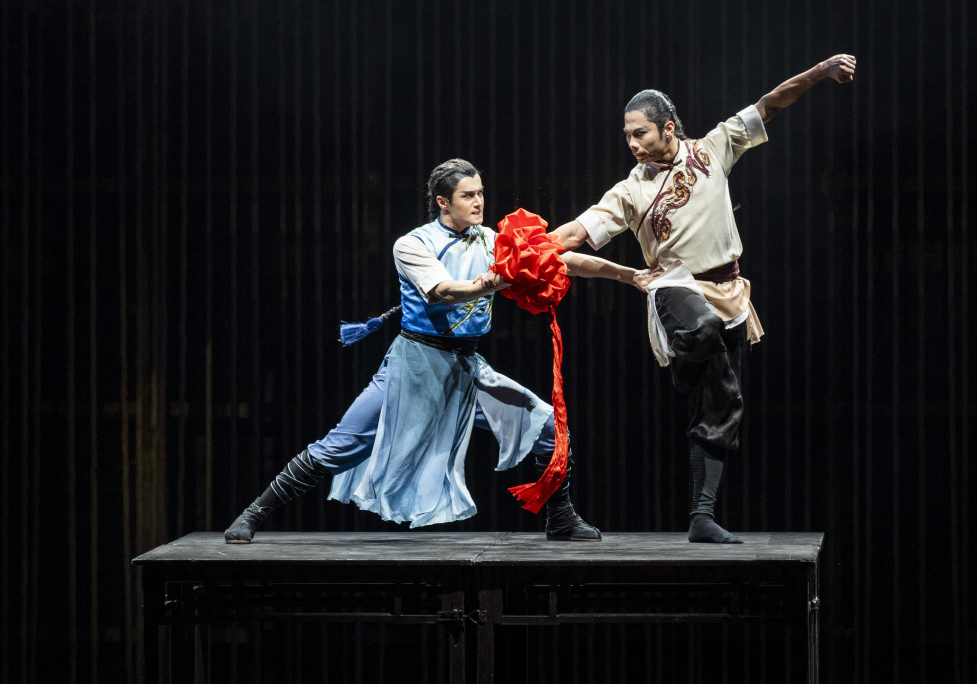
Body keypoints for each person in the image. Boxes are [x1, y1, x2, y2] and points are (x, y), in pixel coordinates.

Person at [225, 158, 633, 544]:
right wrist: (496, 280)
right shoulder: (413, 244)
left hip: (466, 367)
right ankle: (254, 513)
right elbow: (442, 292)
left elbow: (559, 259)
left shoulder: (490, 240)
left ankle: (560, 518)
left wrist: (629, 276)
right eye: (467, 195)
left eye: (480, 193)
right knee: (340, 446)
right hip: (415, 365)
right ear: (443, 201)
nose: (478, 202)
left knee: (548, 430)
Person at [550, 54, 857, 543]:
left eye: (640, 134)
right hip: (673, 286)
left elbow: (770, 103)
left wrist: (820, 72)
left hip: (728, 291)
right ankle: (685, 362)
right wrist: (525, 248)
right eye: (627, 136)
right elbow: (576, 232)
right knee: (703, 326)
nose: (632, 144)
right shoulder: (630, 190)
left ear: (668, 128)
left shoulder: (714, 148)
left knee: (722, 406)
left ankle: (702, 516)